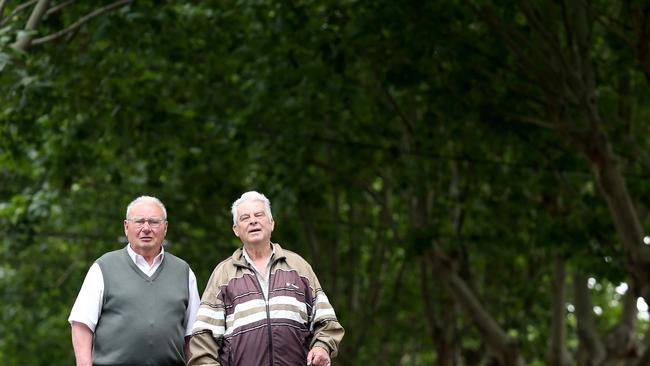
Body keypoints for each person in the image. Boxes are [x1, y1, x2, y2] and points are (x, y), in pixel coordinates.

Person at [189, 191, 344, 366]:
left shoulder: (299, 267)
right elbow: (203, 341)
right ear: (236, 230)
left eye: (259, 215)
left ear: (271, 223)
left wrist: (322, 346)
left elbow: (326, 321)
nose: (253, 221)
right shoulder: (223, 275)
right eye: (245, 218)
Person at [68, 195, 201, 366]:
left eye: (154, 222)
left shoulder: (183, 271)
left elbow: (192, 335)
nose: (146, 228)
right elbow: (82, 325)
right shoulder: (103, 267)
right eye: (139, 221)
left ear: (165, 227)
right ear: (126, 226)